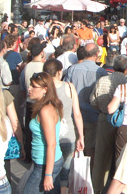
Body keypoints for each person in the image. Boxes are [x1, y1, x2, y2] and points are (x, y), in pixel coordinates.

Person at [43, 59, 84, 194]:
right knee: (65, 174)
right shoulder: (69, 87)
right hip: (68, 134)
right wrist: (81, 136)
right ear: (59, 72)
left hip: (48, 134)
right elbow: (77, 114)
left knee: (48, 170)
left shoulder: (44, 88)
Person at [90, 55, 127, 194]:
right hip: (124, 121)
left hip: (104, 118)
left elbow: (93, 100)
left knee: (101, 156)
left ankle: (97, 188)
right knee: (122, 156)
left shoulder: (102, 80)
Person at [64, 43, 107, 164]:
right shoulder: (101, 71)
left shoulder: (73, 69)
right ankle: (88, 174)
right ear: (97, 54)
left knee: (74, 147)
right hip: (93, 115)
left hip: (75, 114)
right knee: (90, 148)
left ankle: (72, 173)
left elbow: (66, 90)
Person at [22, 72, 64, 194]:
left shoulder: (45, 110)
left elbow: (51, 144)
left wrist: (48, 174)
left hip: (45, 164)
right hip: (44, 162)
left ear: (45, 89)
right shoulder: (43, 107)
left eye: (34, 86)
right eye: (30, 85)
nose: (29, 89)